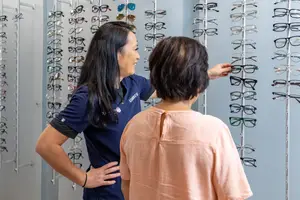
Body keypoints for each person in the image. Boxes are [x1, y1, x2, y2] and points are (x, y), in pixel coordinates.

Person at [35, 21, 232, 200]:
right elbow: (46, 145)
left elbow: (168, 87)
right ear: (116, 53)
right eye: (135, 49)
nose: (138, 56)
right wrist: (84, 178)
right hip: (109, 192)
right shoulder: (88, 97)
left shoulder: (133, 83)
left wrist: (206, 74)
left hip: (135, 186)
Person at [120, 36, 252, 200]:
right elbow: (234, 195)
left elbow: (126, 186)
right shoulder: (214, 130)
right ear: (199, 81)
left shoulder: (133, 126)